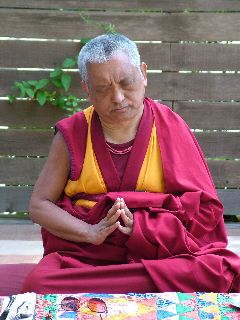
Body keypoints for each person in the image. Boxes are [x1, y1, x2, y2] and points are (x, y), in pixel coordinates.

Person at [22, 33, 240, 294]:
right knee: (39, 284)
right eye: (103, 88)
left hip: (159, 253)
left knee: (216, 271)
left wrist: (144, 227)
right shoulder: (73, 132)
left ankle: (108, 288)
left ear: (144, 74)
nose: (118, 97)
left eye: (127, 83)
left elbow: (205, 210)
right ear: (87, 89)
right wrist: (90, 231)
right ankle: (138, 289)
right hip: (90, 255)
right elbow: (39, 205)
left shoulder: (171, 127)